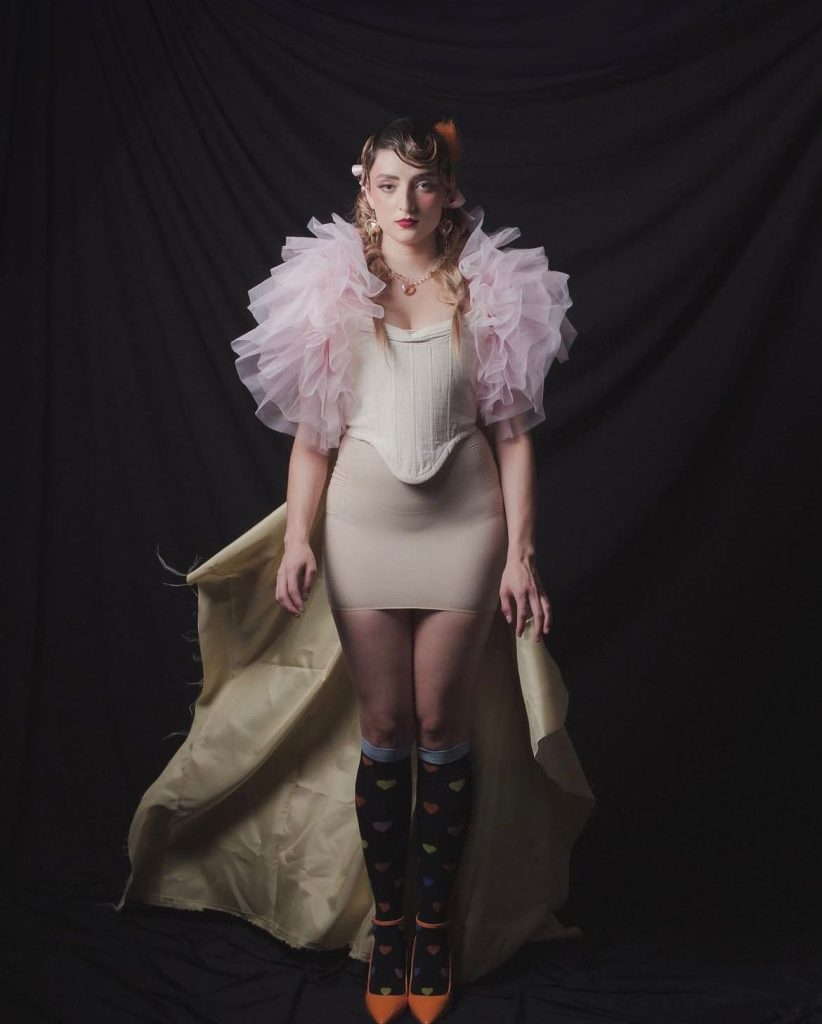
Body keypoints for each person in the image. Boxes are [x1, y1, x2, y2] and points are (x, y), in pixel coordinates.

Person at [114, 116, 594, 1024]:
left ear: (448, 190)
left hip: (465, 530)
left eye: (424, 183)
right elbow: (312, 441)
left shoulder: (490, 287)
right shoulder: (332, 288)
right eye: (388, 184)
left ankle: (434, 930)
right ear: (362, 188)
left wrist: (521, 553)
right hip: (363, 530)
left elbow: (512, 439)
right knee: (384, 724)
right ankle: (392, 924)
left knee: (441, 723)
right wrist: (299, 538)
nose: (407, 202)